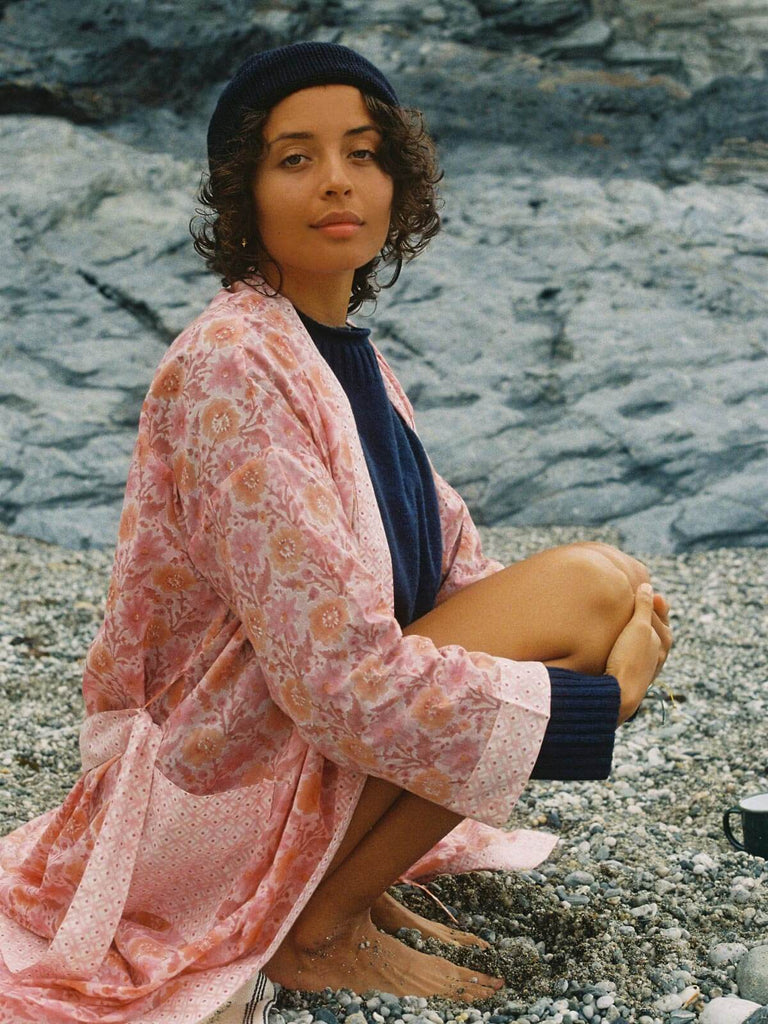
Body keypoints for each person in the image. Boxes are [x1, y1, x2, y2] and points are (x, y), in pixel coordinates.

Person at [0, 41, 672, 1024]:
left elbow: (450, 578)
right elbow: (340, 684)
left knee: (603, 590)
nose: (336, 183)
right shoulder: (234, 364)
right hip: (215, 782)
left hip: (303, 741)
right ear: (245, 192)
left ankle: (341, 885)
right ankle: (322, 925)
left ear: (398, 179)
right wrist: (596, 703)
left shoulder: (349, 359)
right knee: (589, 594)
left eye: (362, 152)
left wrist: (594, 647)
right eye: (295, 157)